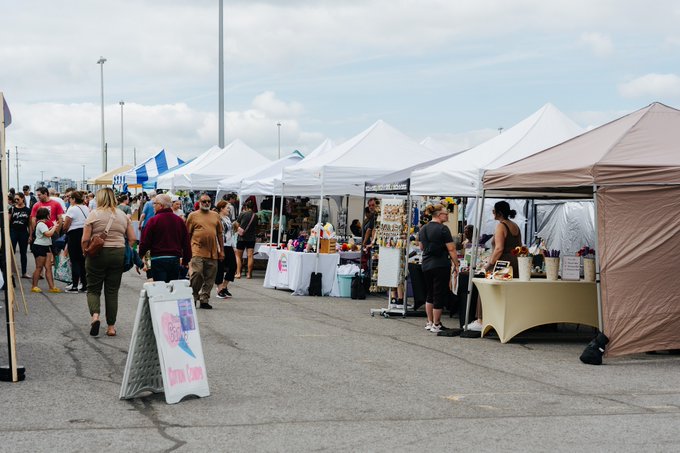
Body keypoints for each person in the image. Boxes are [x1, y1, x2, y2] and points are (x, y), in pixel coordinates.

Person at [82, 188, 136, 337]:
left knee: (93, 289)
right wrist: (125, 249)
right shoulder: (123, 215)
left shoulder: (94, 214)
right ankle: (111, 327)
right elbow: (132, 238)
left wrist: (85, 251)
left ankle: (95, 317)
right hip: (117, 253)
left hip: (97, 254)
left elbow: (85, 239)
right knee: (112, 292)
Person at [465, 201, 522, 332]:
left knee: (485, 288)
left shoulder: (501, 226)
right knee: (507, 293)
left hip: (502, 263)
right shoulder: (515, 226)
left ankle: (480, 320)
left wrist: (489, 264)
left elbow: (499, 249)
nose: (492, 213)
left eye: (493, 211)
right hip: (515, 262)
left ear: (499, 213)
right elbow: (519, 246)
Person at [418, 203, 459, 333]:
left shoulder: (423, 228)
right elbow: (451, 248)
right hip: (440, 264)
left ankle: (429, 322)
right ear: (439, 215)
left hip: (426, 264)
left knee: (430, 293)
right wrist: (456, 264)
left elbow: (421, 247)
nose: (447, 215)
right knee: (438, 294)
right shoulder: (443, 229)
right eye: (446, 213)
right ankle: (437, 324)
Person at [139, 194, 191, 283]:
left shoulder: (153, 221)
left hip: (157, 260)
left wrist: (142, 257)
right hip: (174, 260)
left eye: (155, 203)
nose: (153, 206)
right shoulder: (179, 221)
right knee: (171, 289)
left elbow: (145, 243)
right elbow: (186, 243)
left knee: (159, 290)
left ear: (161, 205)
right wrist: (186, 261)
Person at [186, 193, 223, 309]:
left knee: (210, 276)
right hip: (196, 249)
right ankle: (193, 295)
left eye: (208, 201)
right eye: (204, 201)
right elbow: (188, 233)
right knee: (197, 273)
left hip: (212, 251)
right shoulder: (193, 215)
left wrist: (221, 250)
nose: (206, 203)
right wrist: (186, 250)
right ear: (199, 203)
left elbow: (219, 234)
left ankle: (204, 299)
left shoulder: (215, 215)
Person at [62, 191, 90, 293]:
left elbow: (66, 224)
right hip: (85, 233)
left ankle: (74, 285)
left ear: (73, 199)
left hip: (74, 235)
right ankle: (84, 285)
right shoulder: (86, 208)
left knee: (74, 260)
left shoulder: (72, 209)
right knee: (83, 260)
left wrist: (64, 230)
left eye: (70, 198)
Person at [30, 208, 62, 293]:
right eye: (49, 214)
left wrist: (53, 226)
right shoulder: (41, 224)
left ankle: (52, 287)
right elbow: (48, 234)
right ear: (46, 215)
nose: (50, 215)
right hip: (39, 247)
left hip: (46, 246)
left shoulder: (43, 224)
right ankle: (34, 286)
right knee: (39, 267)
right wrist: (55, 227)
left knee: (48, 267)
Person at [215, 200, 237, 299]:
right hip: (220, 246)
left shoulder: (228, 218)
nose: (229, 209)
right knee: (220, 268)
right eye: (227, 208)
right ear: (221, 208)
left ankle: (224, 286)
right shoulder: (217, 218)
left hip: (228, 245)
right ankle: (219, 289)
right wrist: (219, 247)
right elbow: (217, 234)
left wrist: (234, 245)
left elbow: (230, 234)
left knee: (233, 266)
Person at [9, 192, 31, 278]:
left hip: (23, 232)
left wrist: (30, 235)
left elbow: (29, 224)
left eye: (18, 199)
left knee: (23, 253)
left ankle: (24, 272)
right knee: (12, 252)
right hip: (13, 232)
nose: (16, 201)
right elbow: (8, 220)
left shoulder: (27, 210)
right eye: (15, 199)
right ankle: (10, 271)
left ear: (23, 198)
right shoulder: (12, 209)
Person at [235, 199, 258, 279]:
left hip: (241, 238)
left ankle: (238, 273)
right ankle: (249, 274)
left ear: (246, 206)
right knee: (250, 256)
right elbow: (256, 227)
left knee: (238, 256)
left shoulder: (242, 214)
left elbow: (236, 225)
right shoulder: (255, 216)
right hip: (251, 238)